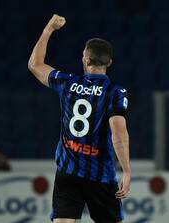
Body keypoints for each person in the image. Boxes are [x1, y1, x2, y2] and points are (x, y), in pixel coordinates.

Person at [28, 14, 131, 223]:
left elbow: (35, 64)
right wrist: (127, 171)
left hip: (68, 172)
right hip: (100, 176)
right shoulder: (115, 92)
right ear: (109, 62)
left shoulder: (68, 83)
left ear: (86, 59)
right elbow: (119, 133)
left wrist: (49, 28)